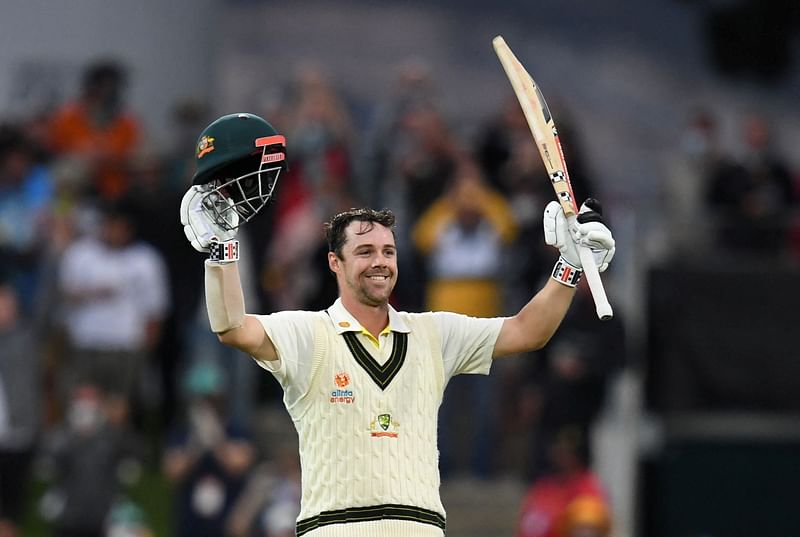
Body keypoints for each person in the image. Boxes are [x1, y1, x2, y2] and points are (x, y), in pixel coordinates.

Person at [179, 112, 615, 537]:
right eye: (365, 252)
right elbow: (232, 327)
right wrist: (222, 248)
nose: (380, 263)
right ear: (335, 262)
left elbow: (526, 331)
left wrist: (568, 267)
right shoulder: (308, 334)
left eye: (388, 252)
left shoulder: (432, 334)